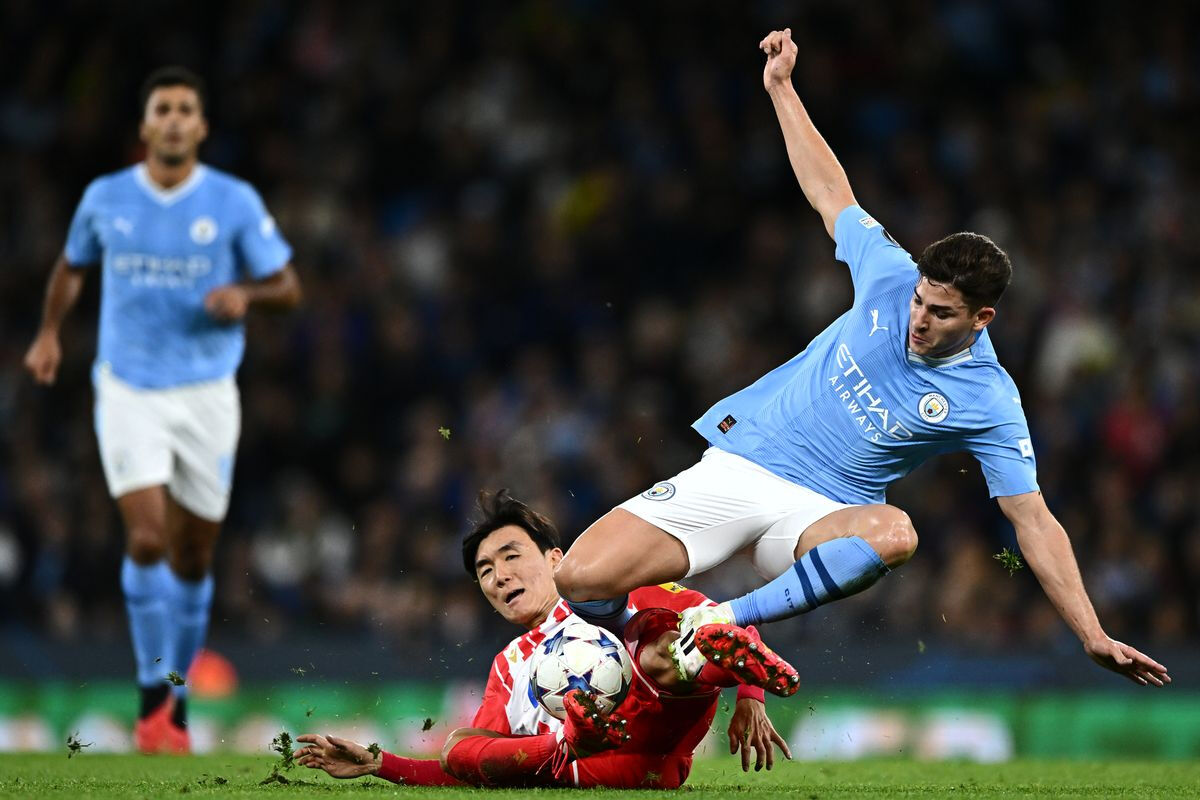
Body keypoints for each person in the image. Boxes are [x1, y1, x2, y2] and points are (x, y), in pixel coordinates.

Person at [552, 28, 1170, 690]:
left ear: (982, 318)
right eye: (920, 301)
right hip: (741, 466)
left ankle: (725, 622)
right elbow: (830, 191)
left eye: (941, 314)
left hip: (817, 519)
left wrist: (1091, 632)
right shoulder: (889, 276)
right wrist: (782, 89)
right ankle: (643, 652)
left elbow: (1034, 522)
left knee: (896, 534)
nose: (918, 320)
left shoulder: (989, 399)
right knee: (579, 577)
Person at [22, 66, 302, 753]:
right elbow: (72, 267)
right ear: (146, 125)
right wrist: (50, 333)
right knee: (147, 538)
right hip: (129, 388)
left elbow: (288, 286)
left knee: (195, 553)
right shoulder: (106, 197)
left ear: (201, 126)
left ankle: (176, 693)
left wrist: (246, 296)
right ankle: (156, 696)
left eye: (185, 109)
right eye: (162, 109)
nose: (174, 119)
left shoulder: (232, 201)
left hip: (207, 392)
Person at [295, 491, 795, 788]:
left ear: (556, 559)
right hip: (589, 766)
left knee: (653, 642)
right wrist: (382, 764)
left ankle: (694, 663)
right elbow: (472, 766)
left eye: (511, 556)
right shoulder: (509, 663)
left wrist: (750, 696)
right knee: (457, 746)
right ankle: (572, 738)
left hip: (659, 731)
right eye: (485, 571)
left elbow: (728, 622)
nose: (499, 576)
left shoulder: (613, 590)